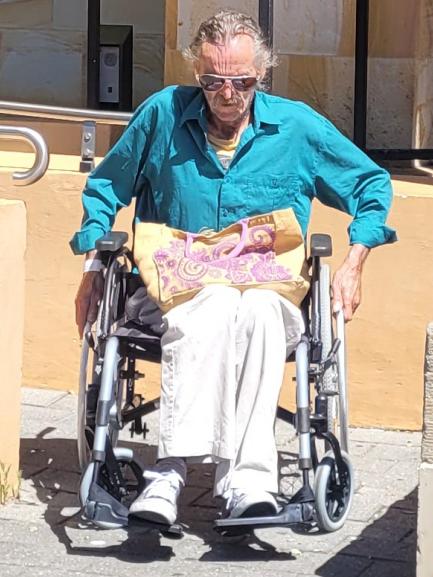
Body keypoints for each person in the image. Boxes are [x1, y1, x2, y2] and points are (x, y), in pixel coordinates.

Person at [71, 10, 396, 525]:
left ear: (262, 73)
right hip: (175, 291)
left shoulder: (296, 128)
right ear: (195, 74)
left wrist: (356, 261)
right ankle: (171, 472)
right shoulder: (161, 115)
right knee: (218, 301)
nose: (227, 94)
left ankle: (247, 481)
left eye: (242, 81)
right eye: (213, 82)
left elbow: (371, 186)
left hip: (269, 290)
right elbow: (106, 187)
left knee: (262, 313)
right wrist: (93, 266)